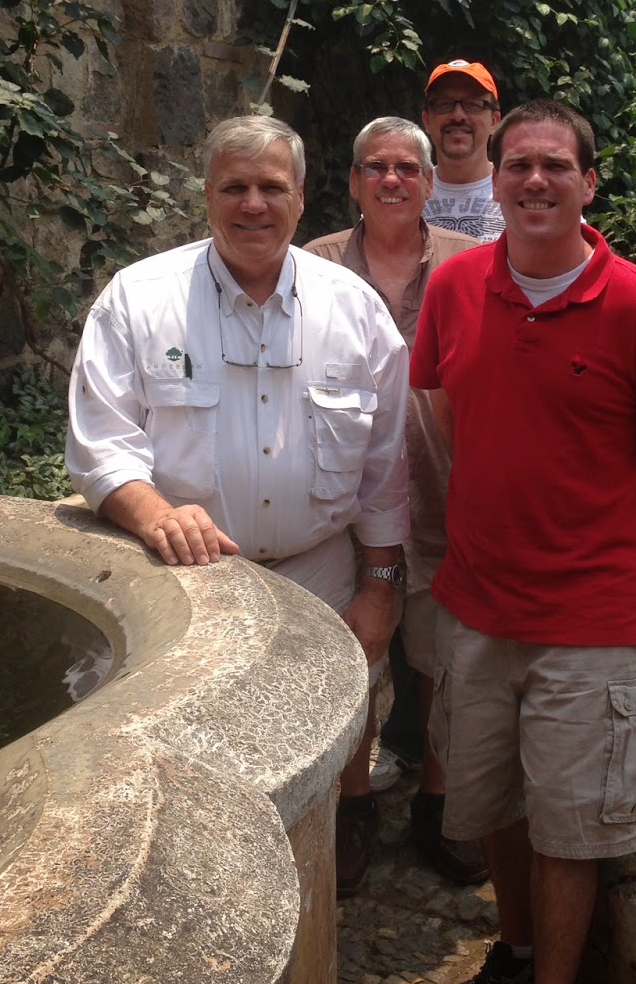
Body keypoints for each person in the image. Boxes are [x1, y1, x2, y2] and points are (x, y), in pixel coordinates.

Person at [411, 100, 636, 984]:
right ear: (493, 180)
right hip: (479, 604)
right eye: (518, 165)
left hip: (592, 619)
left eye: (555, 165)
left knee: (571, 828)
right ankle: (514, 953)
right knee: (493, 802)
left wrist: (603, 532)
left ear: (589, 182)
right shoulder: (455, 287)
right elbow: (446, 411)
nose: (535, 181)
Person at [65, 115, 411, 897]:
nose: (253, 204)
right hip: (190, 576)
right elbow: (101, 444)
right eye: (235, 187)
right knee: (197, 738)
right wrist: (154, 513)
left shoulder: (354, 309)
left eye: (271, 188)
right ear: (207, 196)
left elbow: (386, 467)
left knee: (341, 707)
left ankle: (351, 811)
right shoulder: (139, 300)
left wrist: (382, 586)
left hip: (320, 567)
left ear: (301, 198)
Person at [305, 117, 488, 888]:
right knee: (350, 658)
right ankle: (353, 807)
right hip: (347, 507)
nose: (391, 179)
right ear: (353, 182)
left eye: (407, 168)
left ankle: (438, 804)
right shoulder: (313, 266)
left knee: (449, 662)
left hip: (446, 499)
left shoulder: (472, 263)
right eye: (375, 167)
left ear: (430, 183)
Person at [421, 58, 505, 244]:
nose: (458, 116)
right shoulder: (408, 193)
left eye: (473, 104)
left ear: (494, 121)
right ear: (427, 120)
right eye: (444, 104)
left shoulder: (516, 190)